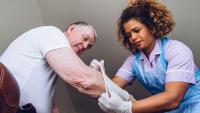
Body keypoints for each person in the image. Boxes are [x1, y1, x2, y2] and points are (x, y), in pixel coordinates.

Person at [97, 0, 200, 113]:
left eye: (137, 30)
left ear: (151, 27)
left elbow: (173, 99)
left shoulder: (176, 50)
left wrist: (126, 108)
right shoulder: (133, 61)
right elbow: (114, 86)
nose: (133, 37)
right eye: (129, 35)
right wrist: (99, 76)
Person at [0, 21, 105, 113]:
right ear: (71, 29)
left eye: (89, 46)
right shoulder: (52, 32)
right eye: (85, 38)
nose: (86, 46)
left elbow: (48, 99)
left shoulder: (55, 61)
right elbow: (86, 81)